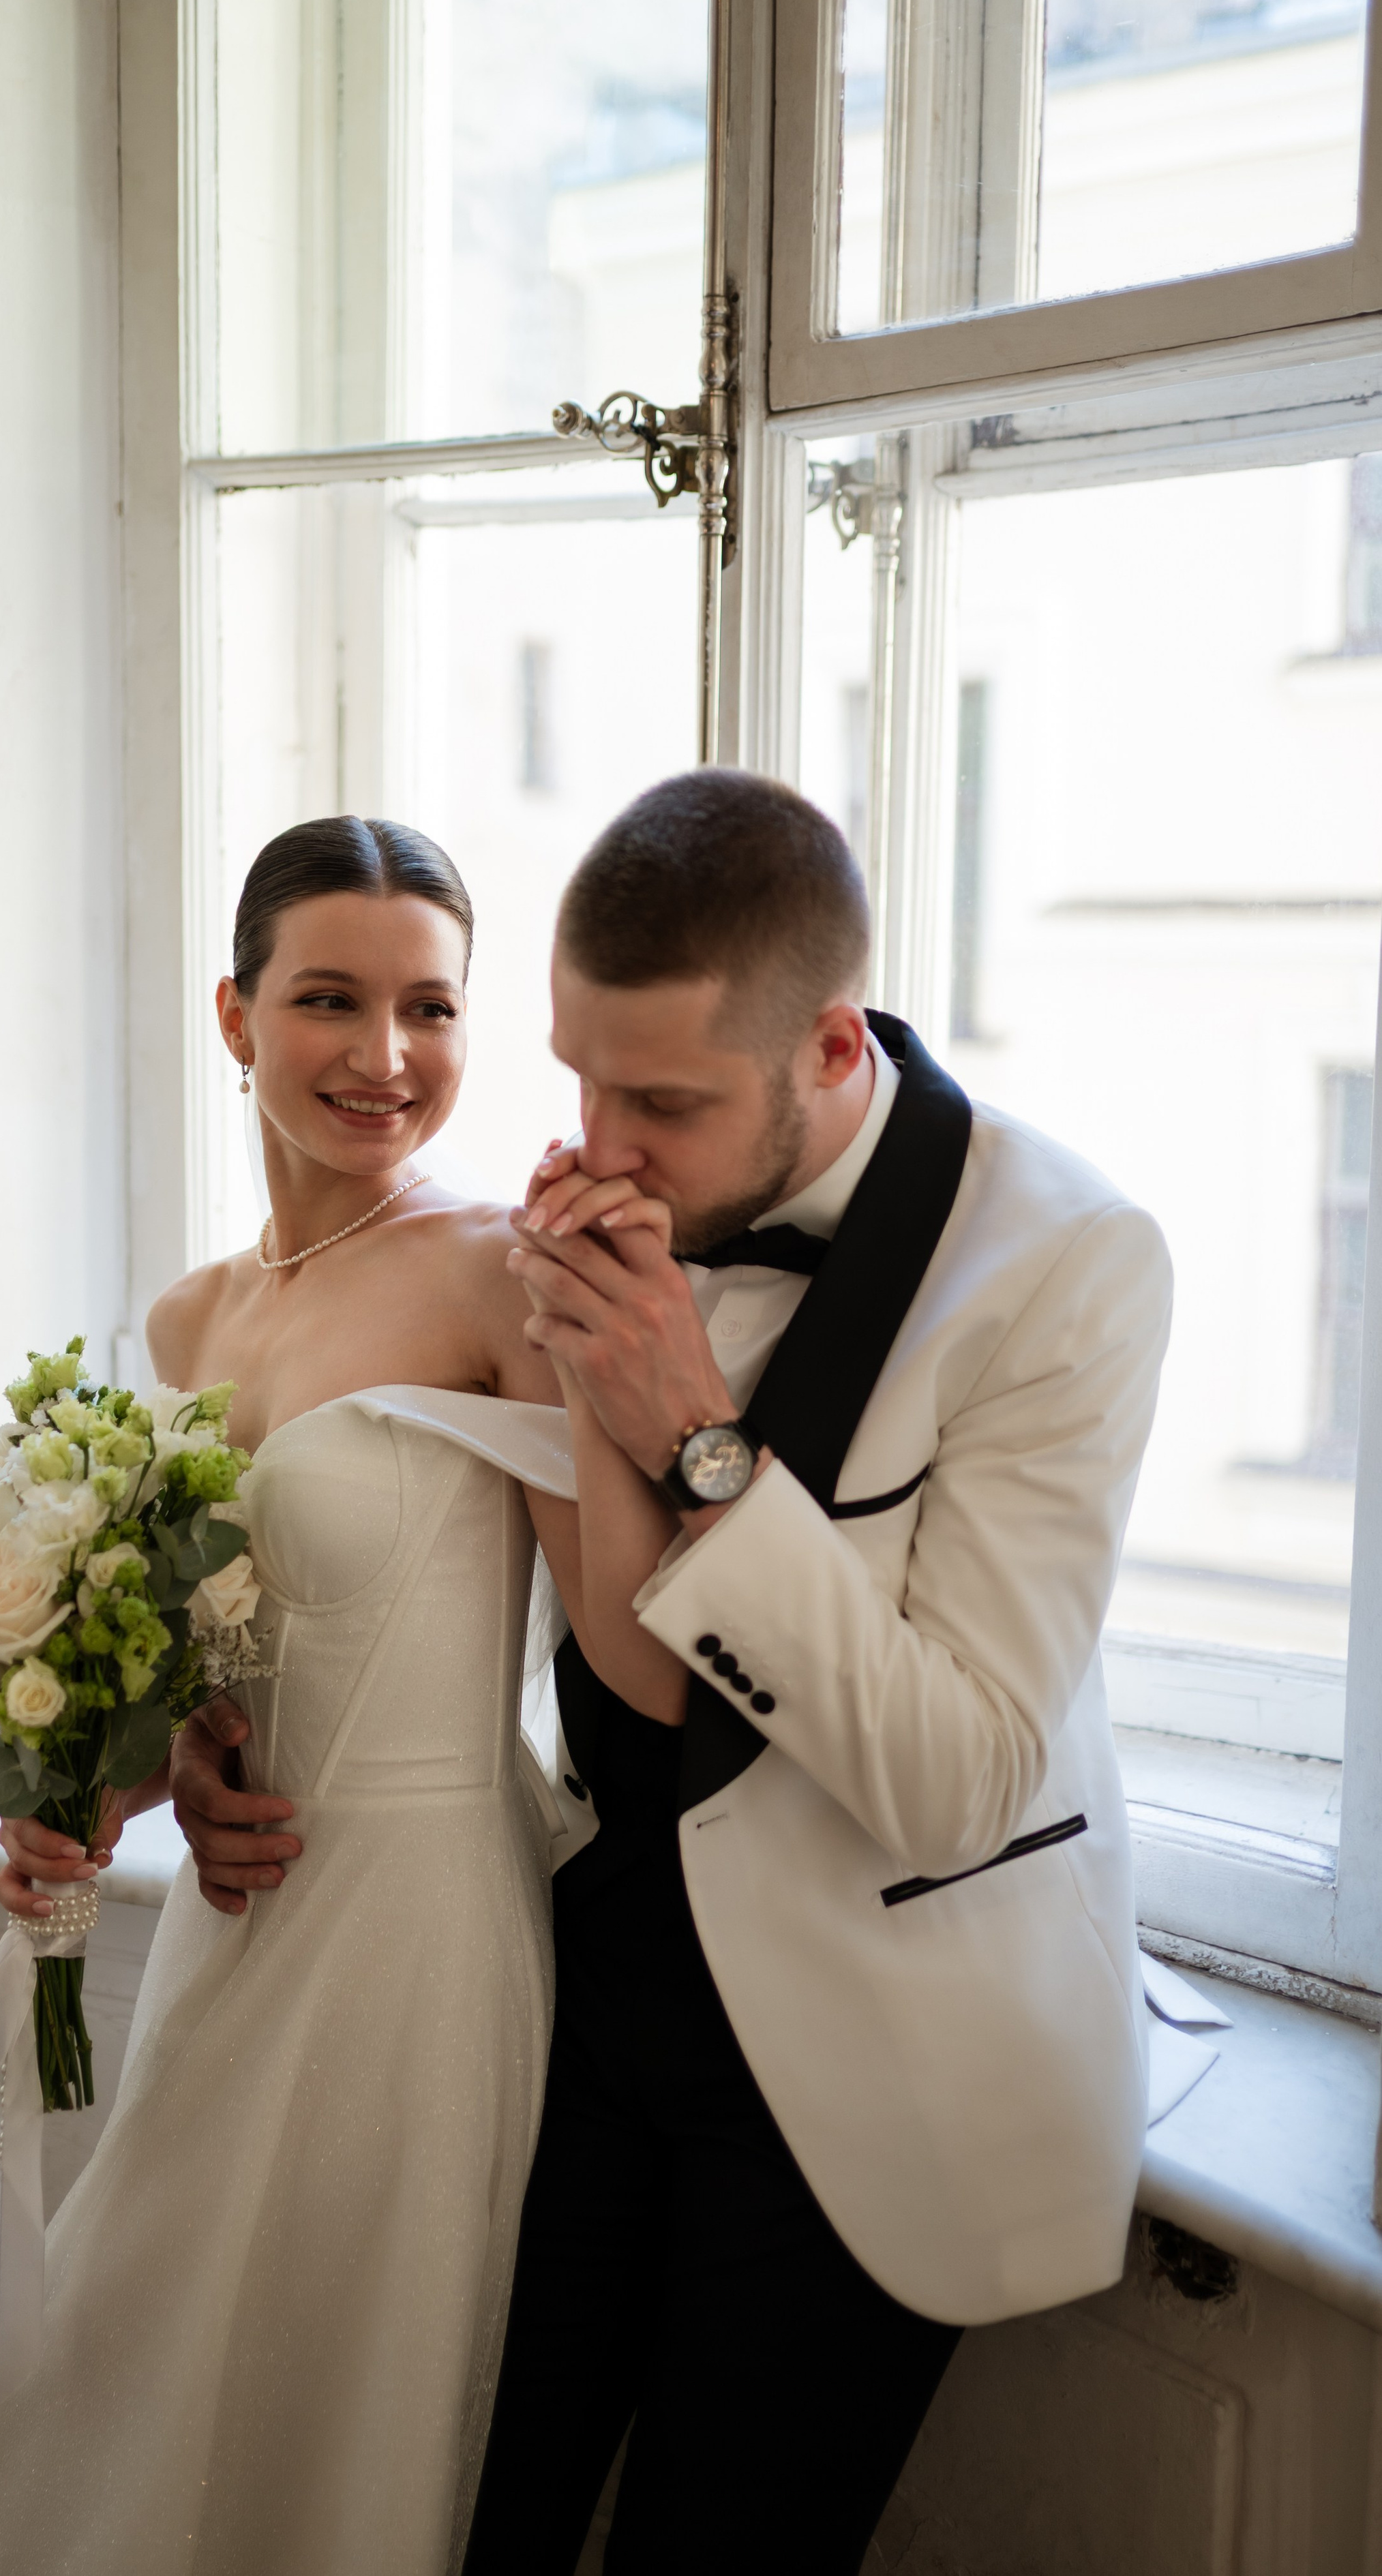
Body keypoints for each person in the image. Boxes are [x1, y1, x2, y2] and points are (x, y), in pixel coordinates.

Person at [0, 817, 659, 2576]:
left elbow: (627, 1653)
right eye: (329, 999)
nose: (387, 1055)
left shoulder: (501, 1273)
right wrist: (133, 1775)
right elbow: (226, 1652)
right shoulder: (188, 1321)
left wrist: (646, 1374)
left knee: (340, 2389)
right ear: (235, 1015)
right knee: (141, 2352)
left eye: (431, 1007)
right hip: (242, 1920)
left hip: (421, 1926)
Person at [454, 768, 1173, 2574]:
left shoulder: (1068, 1265)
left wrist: (696, 1434)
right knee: (473, 2514)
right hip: (596, 1986)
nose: (603, 1147)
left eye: (665, 1103)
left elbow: (959, 1777)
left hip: (868, 2040)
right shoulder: (612, 1220)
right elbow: (627, 1671)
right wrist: (585, 1374)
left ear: (833, 1043)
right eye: (582, 1080)